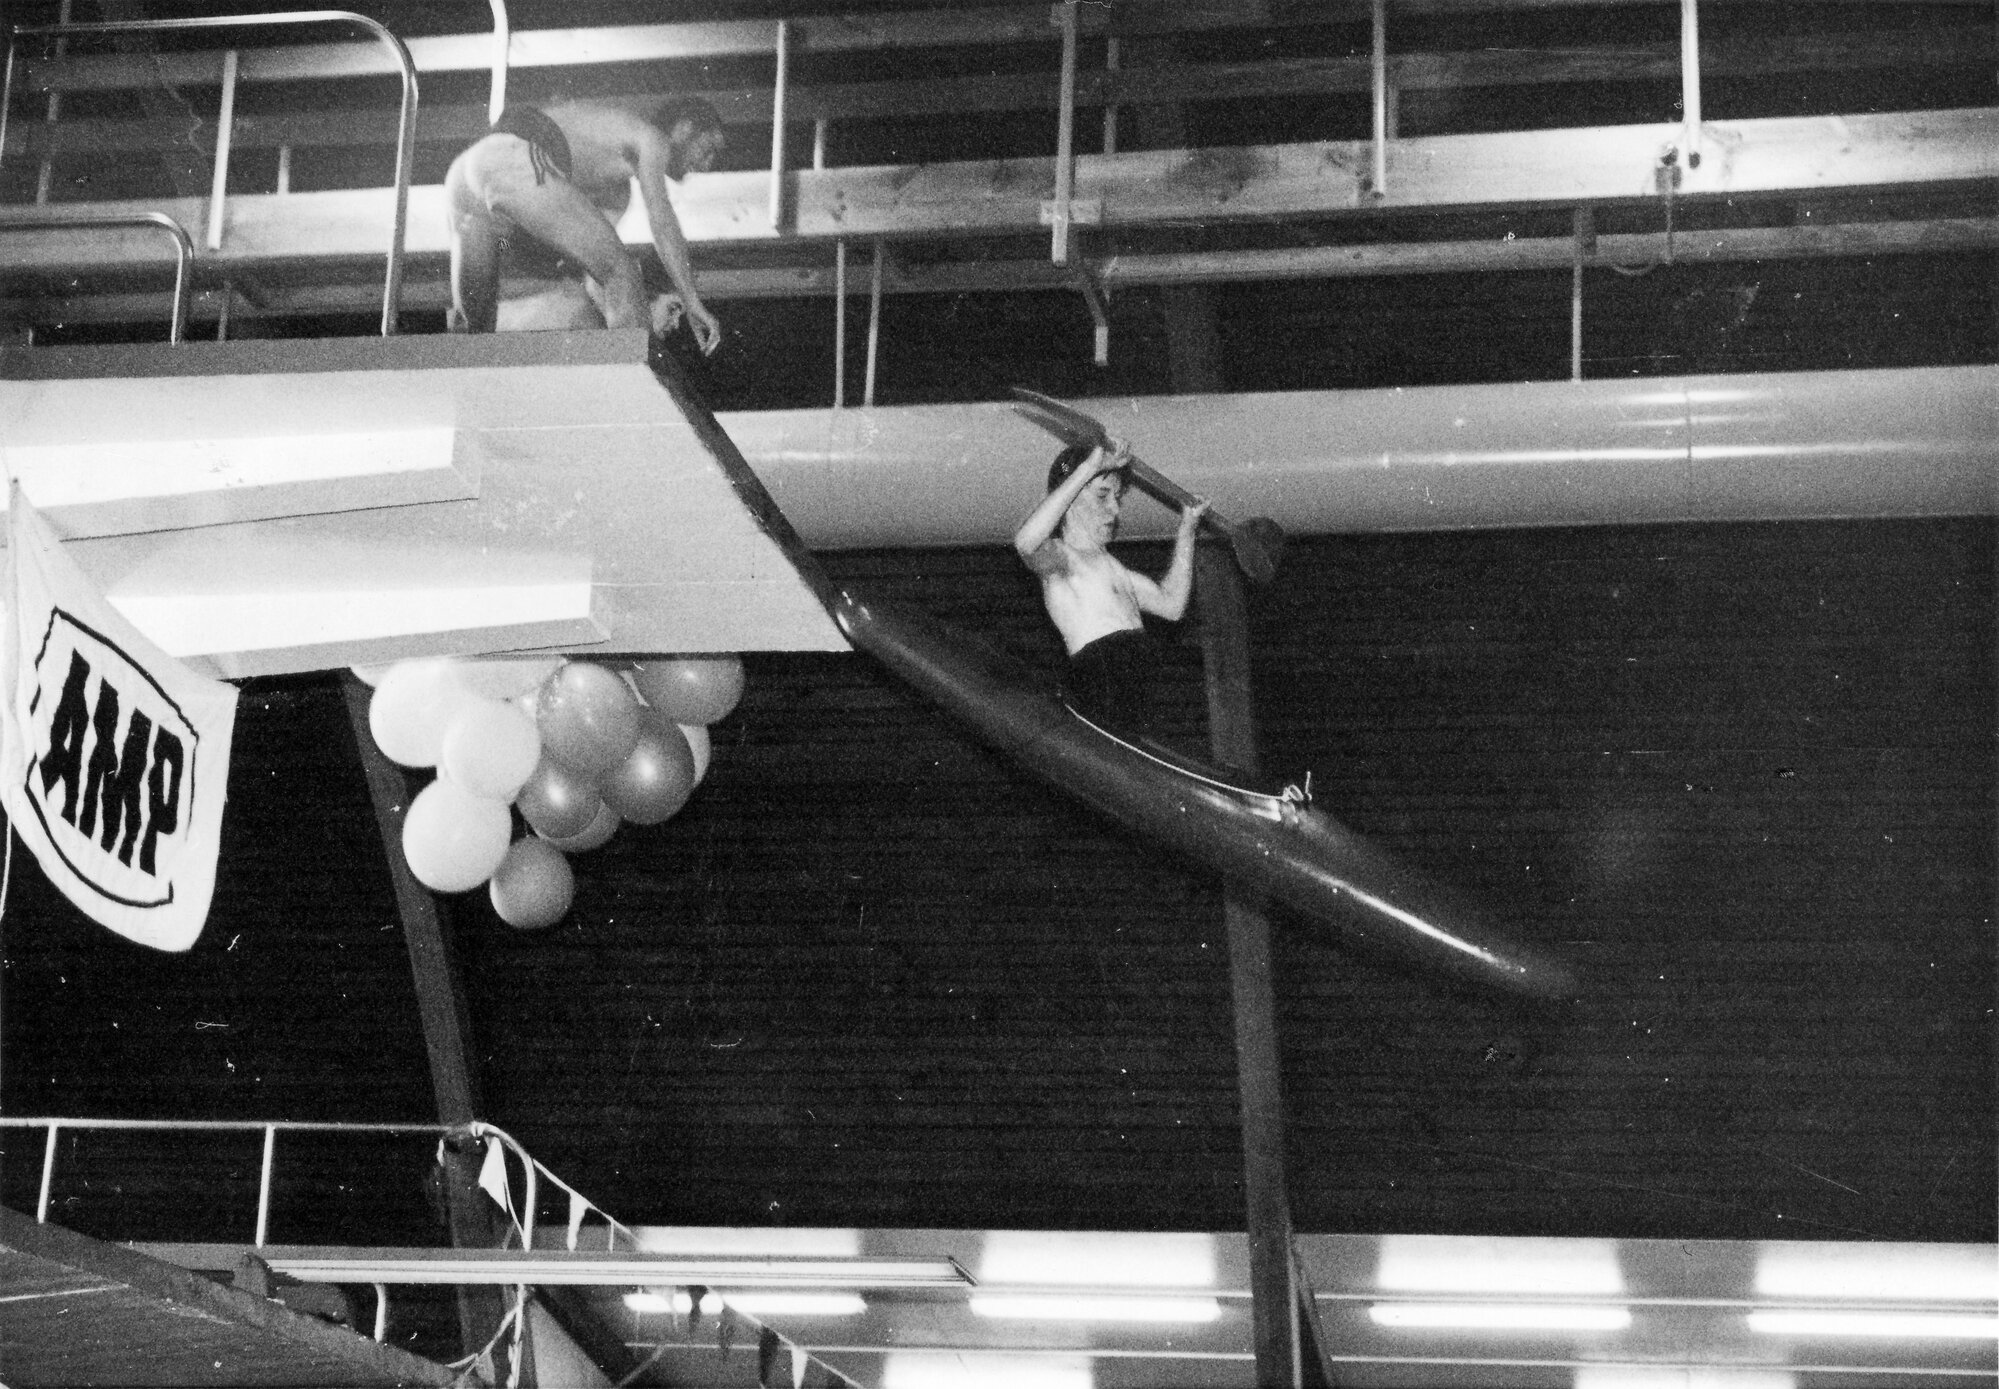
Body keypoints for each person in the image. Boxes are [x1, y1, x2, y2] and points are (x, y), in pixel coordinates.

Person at [445, 98, 726, 351]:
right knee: (623, 271)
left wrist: (635, 321)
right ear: (685, 127)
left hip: (467, 186)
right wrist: (691, 300)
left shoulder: (616, 196)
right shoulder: (651, 138)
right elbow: (661, 221)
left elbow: (595, 276)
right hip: (512, 156)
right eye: (708, 148)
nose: (706, 165)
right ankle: (637, 384)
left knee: (477, 334)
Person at [1014, 436, 1209, 736]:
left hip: (1134, 688)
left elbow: (1172, 606)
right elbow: (1026, 543)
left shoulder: (1115, 569)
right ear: (1072, 497)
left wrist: (1187, 531)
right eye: (1103, 495)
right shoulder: (1062, 559)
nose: (1115, 510)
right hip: (1101, 679)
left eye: (1117, 498)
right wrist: (1091, 466)